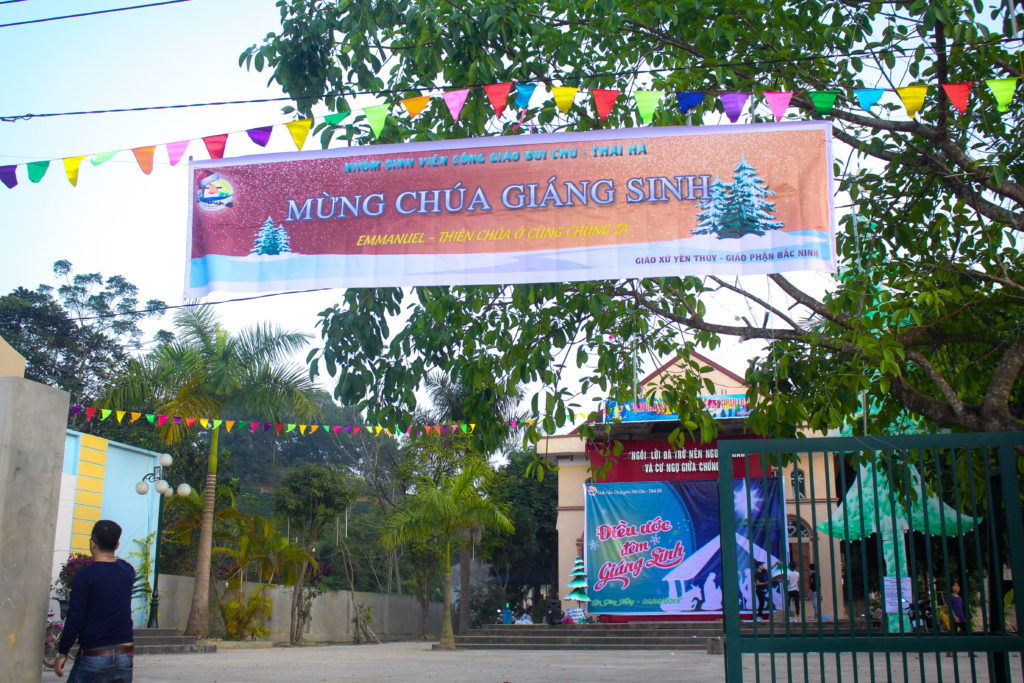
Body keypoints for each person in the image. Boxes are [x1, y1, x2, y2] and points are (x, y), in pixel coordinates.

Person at [53, 520, 135, 682]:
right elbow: (120, 564)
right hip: (125, 653)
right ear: (117, 544)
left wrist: (63, 652)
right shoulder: (127, 571)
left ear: (92, 544)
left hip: (95, 653)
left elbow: (75, 617)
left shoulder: (85, 576)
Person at [947, 581, 974, 657]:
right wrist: (955, 617)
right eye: (955, 586)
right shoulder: (950, 597)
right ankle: (950, 651)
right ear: (952, 587)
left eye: (958, 586)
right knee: (953, 635)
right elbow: (950, 608)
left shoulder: (960, 597)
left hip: (962, 618)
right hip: (954, 618)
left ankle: (970, 651)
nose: (957, 587)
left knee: (967, 634)